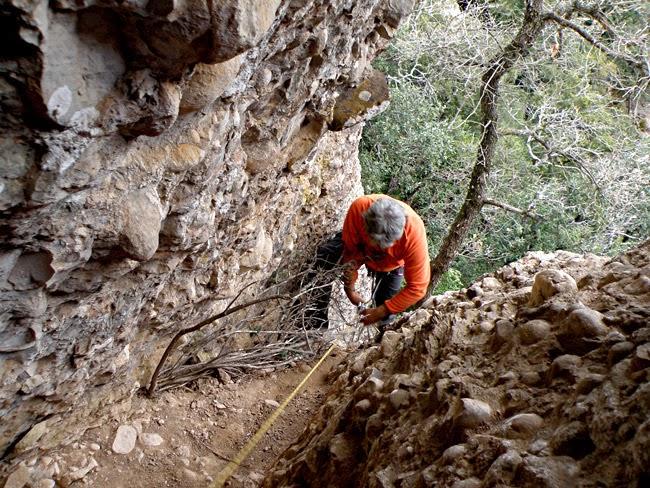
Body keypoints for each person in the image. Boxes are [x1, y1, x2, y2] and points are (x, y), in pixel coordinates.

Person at [306, 194, 430, 329]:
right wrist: (350, 289)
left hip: (392, 265)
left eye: (384, 244)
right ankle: (315, 325)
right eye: (375, 241)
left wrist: (381, 311)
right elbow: (350, 252)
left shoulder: (414, 235)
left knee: (387, 313)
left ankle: (381, 340)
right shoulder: (360, 208)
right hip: (359, 249)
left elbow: (418, 287)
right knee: (324, 259)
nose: (378, 246)